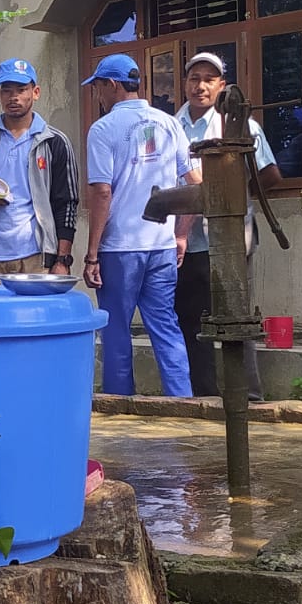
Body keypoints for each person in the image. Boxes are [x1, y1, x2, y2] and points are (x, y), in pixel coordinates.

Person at [81, 53, 193, 397]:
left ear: (111, 86)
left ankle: (120, 408)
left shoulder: (102, 129)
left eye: (98, 87)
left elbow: (102, 192)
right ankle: (184, 403)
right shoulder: (170, 123)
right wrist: (181, 236)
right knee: (166, 328)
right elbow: (193, 183)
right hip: (160, 245)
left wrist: (92, 253)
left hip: (120, 248)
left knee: (116, 331)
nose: (98, 95)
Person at [172, 52, 282, 400]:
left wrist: (233, 197)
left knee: (237, 320)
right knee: (191, 319)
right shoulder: (171, 125)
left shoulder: (238, 125)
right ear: (185, 83)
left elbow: (271, 174)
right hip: (185, 242)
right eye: (194, 78)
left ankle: (248, 397)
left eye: (209, 78)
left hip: (231, 240)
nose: (200, 85)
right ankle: (203, 396)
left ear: (221, 85)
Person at [0, 59, 80, 283]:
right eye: (7, 91)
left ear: (36, 92)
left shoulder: (53, 141)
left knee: (36, 318)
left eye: (21, 90)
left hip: (36, 256)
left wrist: (62, 260)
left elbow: (67, 203)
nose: (14, 97)